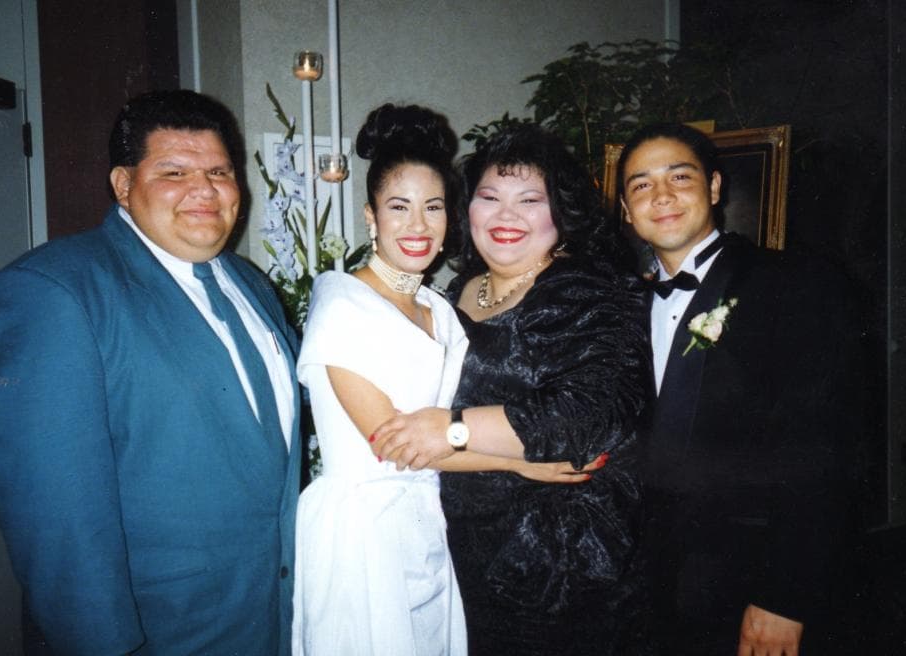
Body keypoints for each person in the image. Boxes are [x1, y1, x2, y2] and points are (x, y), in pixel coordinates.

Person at [0, 90, 301, 655]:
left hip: (270, 616)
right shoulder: (54, 290)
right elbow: (52, 517)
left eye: (219, 171)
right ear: (123, 185)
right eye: (174, 172)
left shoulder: (251, 283)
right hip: (158, 629)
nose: (205, 189)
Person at [292, 106, 597, 656]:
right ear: (370, 216)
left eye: (432, 207)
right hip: (364, 532)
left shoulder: (440, 306)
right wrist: (520, 463)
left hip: (429, 525)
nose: (418, 226)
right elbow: (393, 443)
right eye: (399, 207)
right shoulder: (341, 304)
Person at [372, 125, 652, 655]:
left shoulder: (587, 288)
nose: (506, 216)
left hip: (555, 566)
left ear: (561, 212)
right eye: (490, 197)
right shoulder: (457, 290)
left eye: (529, 200)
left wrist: (454, 429)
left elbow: (589, 416)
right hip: (459, 548)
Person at [618, 122, 860, 654]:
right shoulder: (623, 307)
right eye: (641, 184)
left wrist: (785, 596)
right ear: (627, 210)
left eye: (679, 177)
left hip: (752, 580)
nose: (662, 195)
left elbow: (822, 448)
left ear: (713, 187)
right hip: (650, 588)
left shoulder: (793, 282)